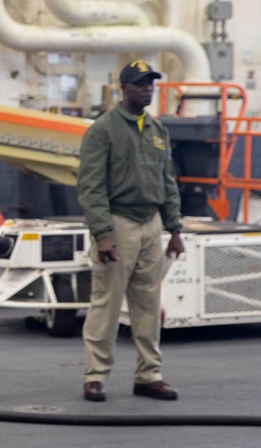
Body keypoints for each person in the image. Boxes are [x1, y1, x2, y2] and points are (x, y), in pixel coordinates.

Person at [77, 59, 185, 403]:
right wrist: (103, 233)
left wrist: (175, 228)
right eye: (140, 83)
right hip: (119, 222)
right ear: (123, 89)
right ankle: (95, 376)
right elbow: (91, 186)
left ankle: (149, 374)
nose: (147, 88)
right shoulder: (103, 130)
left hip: (151, 224)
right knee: (106, 304)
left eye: (151, 83)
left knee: (149, 304)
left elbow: (167, 182)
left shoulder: (157, 130)